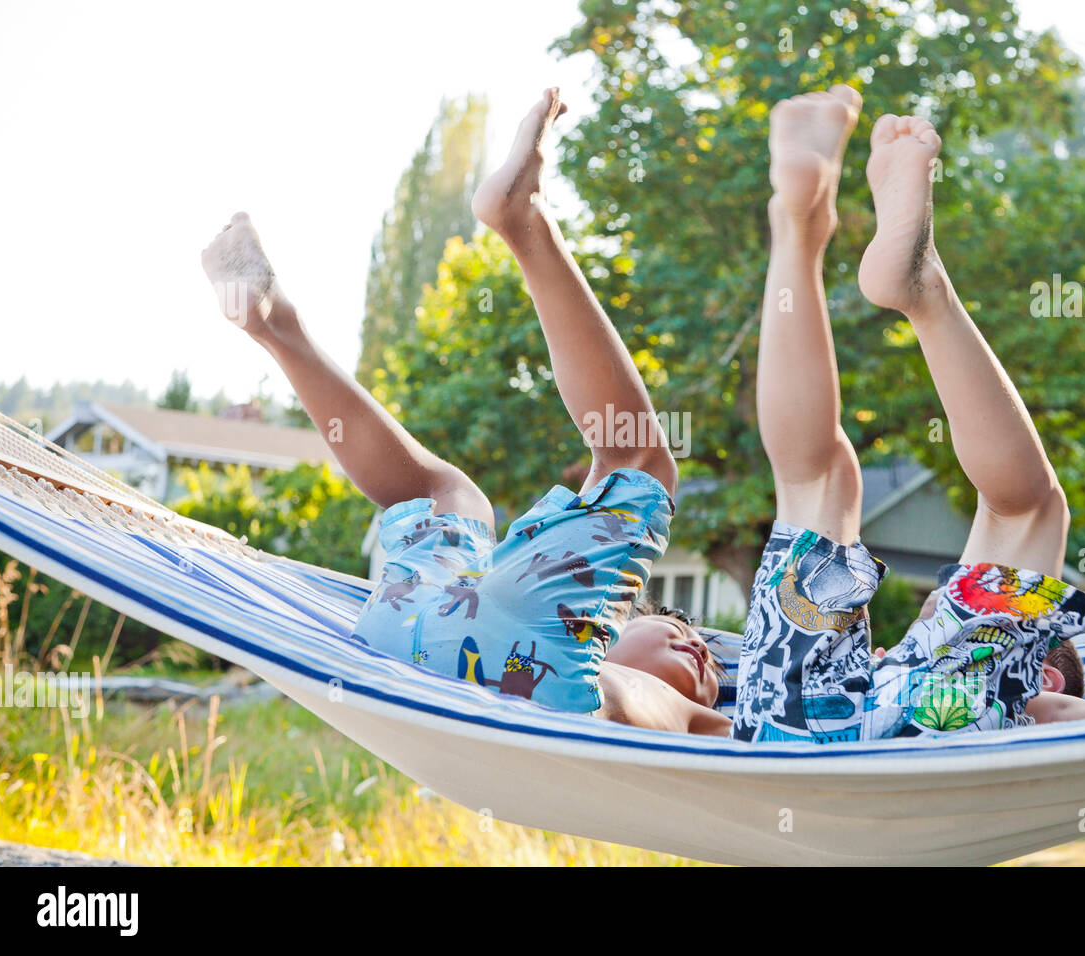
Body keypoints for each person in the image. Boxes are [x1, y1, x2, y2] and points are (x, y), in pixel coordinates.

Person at [200, 89, 731, 737]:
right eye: (677, 629)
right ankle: (274, 323)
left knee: (637, 461)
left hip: (429, 637)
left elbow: (759, 740)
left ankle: (523, 219)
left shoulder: (689, 716)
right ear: (615, 617)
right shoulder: (590, 629)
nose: (703, 653)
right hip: (428, 623)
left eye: (707, 669)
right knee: (451, 493)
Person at [731, 85, 1085, 744]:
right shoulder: (1024, 706)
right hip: (796, 727)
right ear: (1042, 680)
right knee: (813, 482)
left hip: (855, 722)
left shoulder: (1021, 692)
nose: (932, 610)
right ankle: (797, 228)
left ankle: (876, 264)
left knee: (1028, 509)